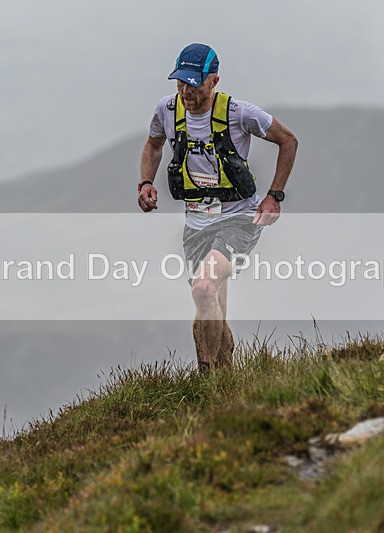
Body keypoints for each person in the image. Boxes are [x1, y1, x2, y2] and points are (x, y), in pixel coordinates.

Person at [137, 43, 298, 371]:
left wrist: (274, 196)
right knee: (211, 299)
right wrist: (146, 182)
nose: (186, 92)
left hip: (239, 217)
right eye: (180, 83)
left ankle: (206, 376)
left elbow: (288, 140)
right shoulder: (167, 110)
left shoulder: (240, 112)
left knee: (203, 286)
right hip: (195, 221)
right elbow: (153, 144)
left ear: (214, 81)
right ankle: (226, 377)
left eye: (194, 85)